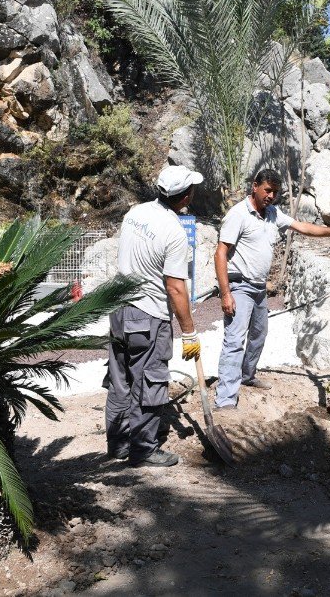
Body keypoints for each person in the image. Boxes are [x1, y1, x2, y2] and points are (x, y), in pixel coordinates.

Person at [214, 168, 330, 410]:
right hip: (239, 285)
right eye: (267, 190)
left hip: (258, 288)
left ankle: (247, 375)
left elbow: (303, 227)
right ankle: (225, 400)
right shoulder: (238, 215)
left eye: (275, 192)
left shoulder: (273, 214)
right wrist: (226, 293)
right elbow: (221, 253)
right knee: (234, 340)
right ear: (255, 186)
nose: (271, 196)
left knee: (259, 335)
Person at [104, 165, 204, 468]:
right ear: (185, 196)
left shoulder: (136, 212)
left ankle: (118, 444)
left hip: (119, 308)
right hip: (147, 316)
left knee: (120, 379)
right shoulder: (174, 231)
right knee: (149, 382)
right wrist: (189, 333)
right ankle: (143, 450)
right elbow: (175, 288)